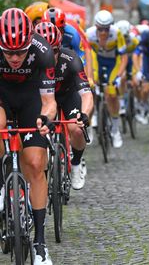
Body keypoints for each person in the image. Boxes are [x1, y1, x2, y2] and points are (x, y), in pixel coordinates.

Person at [0, 8, 56, 264]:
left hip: (31, 98)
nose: (14, 57)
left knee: (35, 163)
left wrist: (45, 119)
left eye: (20, 52)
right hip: (2, 96)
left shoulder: (43, 52)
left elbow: (49, 102)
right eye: (8, 52)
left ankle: (40, 244)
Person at [34, 22, 93, 190]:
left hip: (67, 95)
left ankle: (76, 163)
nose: (48, 56)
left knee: (76, 128)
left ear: (60, 48)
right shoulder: (30, 62)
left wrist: (85, 114)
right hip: (42, 99)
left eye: (53, 51)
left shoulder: (71, 59)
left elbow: (86, 93)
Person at [86, 10, 128, 148]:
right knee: (90, 91)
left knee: (111, 93)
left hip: (112, 63)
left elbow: (124, 58)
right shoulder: (89, 34)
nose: (103, 33)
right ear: (96, 27)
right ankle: (90, 126)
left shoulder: (117, 34)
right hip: (96, 61)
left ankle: (115, 130)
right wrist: (89, 76)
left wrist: (119, 75)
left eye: (106, 29)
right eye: (100, 29)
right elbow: (86, 57)